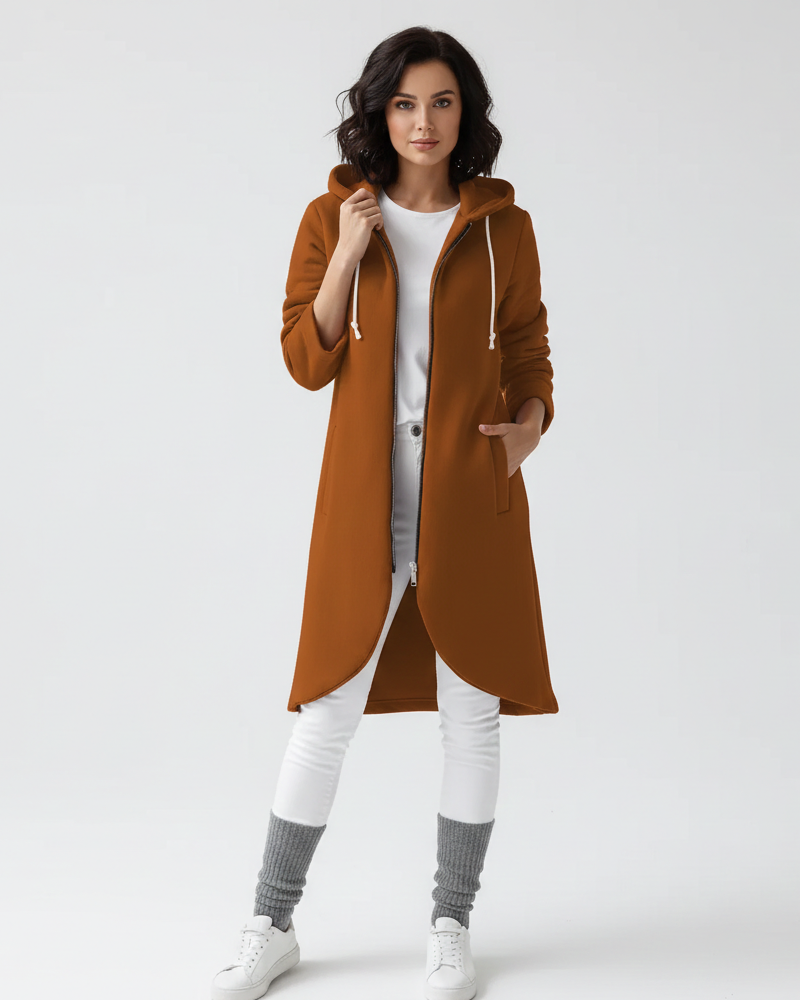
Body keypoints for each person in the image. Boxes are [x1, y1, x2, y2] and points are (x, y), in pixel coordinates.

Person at [211, 25, 558, 1000]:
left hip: (470, 506)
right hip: (362, 510)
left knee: (470, 717)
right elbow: (305, 357)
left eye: (441, 102)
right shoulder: (333, 216)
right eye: (404, 103)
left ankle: (450, 925)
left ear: (465, 113)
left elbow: (528, 346)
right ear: (379, 112)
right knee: (326, 712)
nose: (422, 122)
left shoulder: (502, 228)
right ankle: (270, 923)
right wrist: (351, 247)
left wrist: (528, 427)